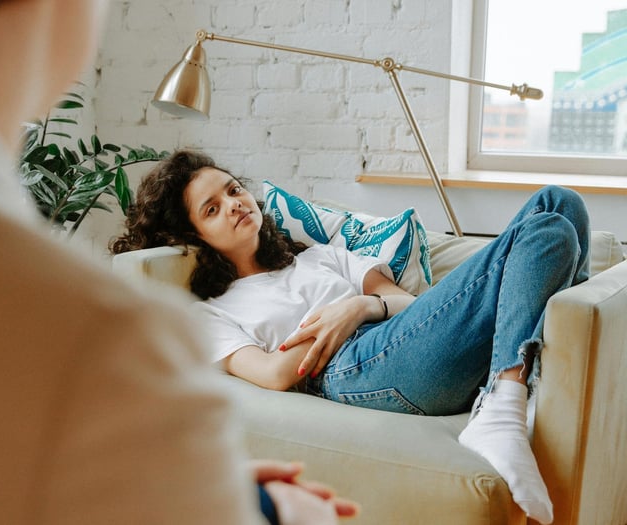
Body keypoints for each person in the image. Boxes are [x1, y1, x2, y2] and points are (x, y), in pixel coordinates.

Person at [0, 2, 358, 524]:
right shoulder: (102, 338)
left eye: (233, 192)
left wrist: (197, 485)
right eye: (212, 206)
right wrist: (288, 515)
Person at [111, 149, 592, 525]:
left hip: (402, 334)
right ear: (195, 237)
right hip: (352, 370)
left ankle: (515, 385)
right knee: (547, 229)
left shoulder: (320, 256)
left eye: (234, 190)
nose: (235, 204)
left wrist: (359, 305)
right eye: (213, 209)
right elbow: (273, 373)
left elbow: (410, 307)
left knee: (559, 202)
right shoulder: (212, 312)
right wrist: (331, 322)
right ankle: (508, 400)